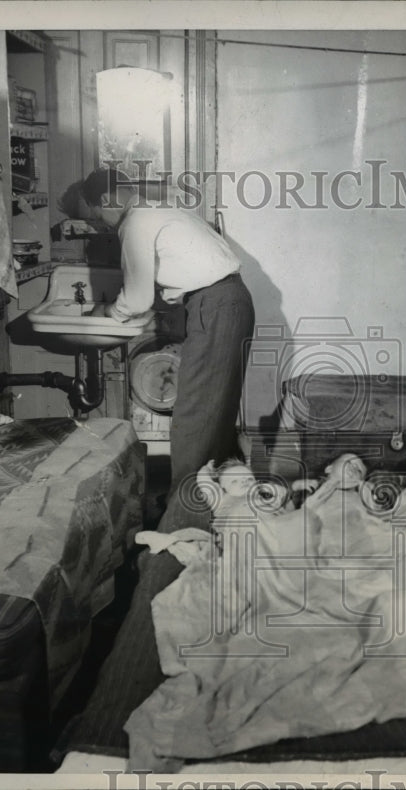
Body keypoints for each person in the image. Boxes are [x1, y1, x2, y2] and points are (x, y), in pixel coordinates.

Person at [61, 167, 255, 532]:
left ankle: (180, 530)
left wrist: (108, 311)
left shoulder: (135, 223)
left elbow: (136, 298)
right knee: (214, 422)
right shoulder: (160, 210)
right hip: (230, 302)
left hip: (215, 307)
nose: (103, 225)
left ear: (106, 200)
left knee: (194, 423)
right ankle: (220, 518)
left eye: (98, 217)